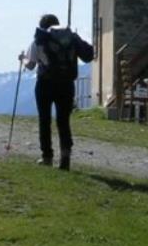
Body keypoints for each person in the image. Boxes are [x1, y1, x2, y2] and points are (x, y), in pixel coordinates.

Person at [21, 14, 94, 170]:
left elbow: (31, 65)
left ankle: (47, 157)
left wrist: (23, 59)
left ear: (42, 26)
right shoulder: (71, 39)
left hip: (45, 84)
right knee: (63, 121)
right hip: (66, 84)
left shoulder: (40, 39)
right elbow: (87, 55)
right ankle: (65, 159)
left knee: (45, 120)